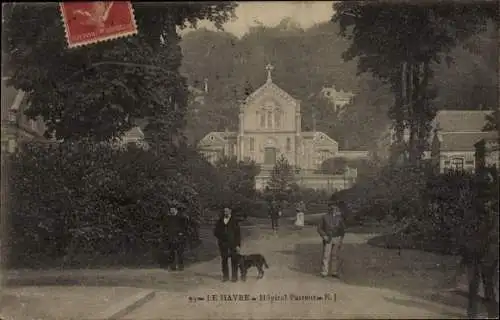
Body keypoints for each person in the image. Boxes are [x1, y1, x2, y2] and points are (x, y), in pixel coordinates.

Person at [317, 197, 346, 278]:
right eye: (331, 207)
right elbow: (319, 228)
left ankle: (334, 271)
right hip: (328, 238)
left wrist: (341, 239)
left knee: (335, 255)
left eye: (335, 207)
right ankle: (324, 271)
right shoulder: (324, 217)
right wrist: (324, 236)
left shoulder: (339, 218)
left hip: (337, 238)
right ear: (329, 208)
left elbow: (343, 229)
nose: (333, 209)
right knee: (326, 255)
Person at [213, 207, 241, 282]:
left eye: (227, 211)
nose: (225, 212)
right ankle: (225, 276)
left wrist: (238, 245)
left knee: (234, 259)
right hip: (223, 243)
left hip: (233, 243)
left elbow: (238, 234)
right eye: (224, 211)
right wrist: (221, 237)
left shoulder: (234, 221)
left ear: (230, 211)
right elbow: (215, 232)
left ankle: (234, 277)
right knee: (224, 260)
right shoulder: (220, 220)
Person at [162, 206, 189, 271]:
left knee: (180, 253)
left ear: (176, 210)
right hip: (171, 238)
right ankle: (172, 267)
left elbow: (185, 227)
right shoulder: (168, 218)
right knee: (171, 253)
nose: (172, 211)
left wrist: (181, 233)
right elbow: (166, 227)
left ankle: (181, 266)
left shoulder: (181, 217)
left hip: (179, 238)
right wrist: (166, 234)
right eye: (171, 210)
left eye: (173, 209)